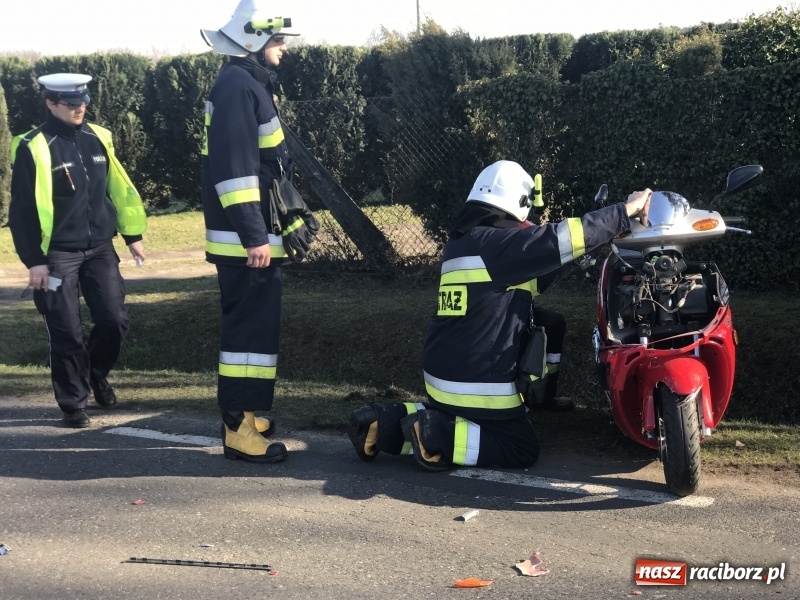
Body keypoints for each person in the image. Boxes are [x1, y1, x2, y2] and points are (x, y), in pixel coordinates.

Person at [348, 160, 651, 471]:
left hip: (443, 378)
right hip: (477, 386)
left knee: (551, 322)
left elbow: (538, 274)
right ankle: (438, 435)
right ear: (517, 203)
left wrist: (589, 248)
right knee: (520, 448)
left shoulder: (465, 242)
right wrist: (623, 212)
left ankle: (381, 423)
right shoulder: (500, 244)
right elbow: (558, 238)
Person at [200, 0, 317, 463]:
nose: (283, 47)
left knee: (256, 335)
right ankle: (238, 428)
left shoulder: (244, 84)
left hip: (253, 238)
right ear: (251, 39)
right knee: (247, 339)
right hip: (247, 243)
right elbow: (235, 172)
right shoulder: (237, 87)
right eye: (276, 39)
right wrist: (254, 236)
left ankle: (248, 413)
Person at [8, 73, 147, 428]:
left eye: (83, 102)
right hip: (56, 256)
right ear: (50, 104)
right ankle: (73, 405)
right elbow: (21, 212)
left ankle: (95, 373)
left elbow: (118, 189)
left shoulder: (98, 137)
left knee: (114, 320)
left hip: (100, 247)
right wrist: (34, 262)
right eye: (71, 104)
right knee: (66, 329)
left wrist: (132, 235)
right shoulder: (33, 146)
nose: (79, 108)